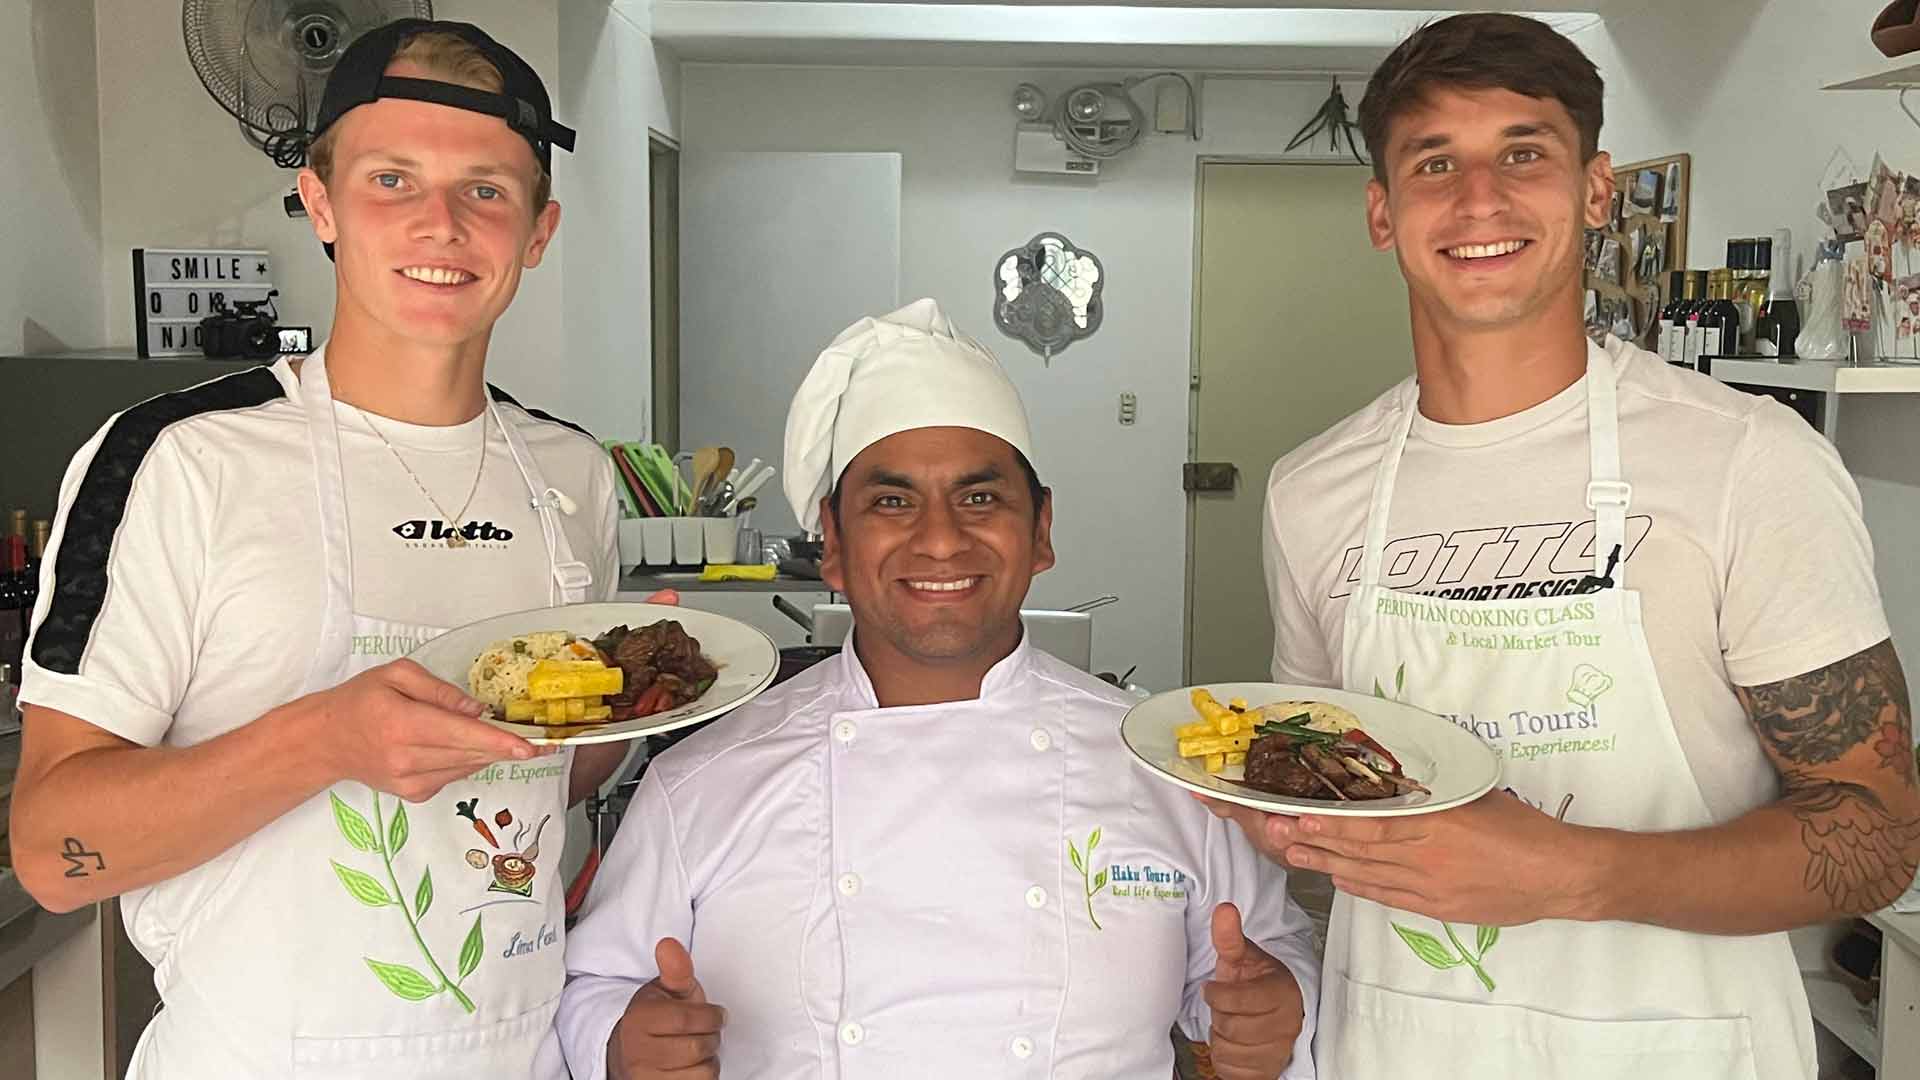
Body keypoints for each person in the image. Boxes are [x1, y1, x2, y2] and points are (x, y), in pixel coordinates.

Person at [1216, 13, 1920, 1078]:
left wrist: (1569, 873)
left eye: (1524, 153)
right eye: (1435, 162)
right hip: (1399, 1044)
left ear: (1595, 191)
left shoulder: (1745, 460)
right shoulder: (1311, 491)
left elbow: (1880, 835)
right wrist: (1287, 830)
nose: (1480, 200)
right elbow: (1325, 772)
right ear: (1382, 210)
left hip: (1683, 1051)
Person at [10, 20, 633, 1078]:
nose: (441, 224)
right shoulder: (177, 462)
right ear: (321, 203)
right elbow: (51, 856)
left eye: (485, 189)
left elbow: (559, 778)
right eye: (394, 179)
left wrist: (631, 707)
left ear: (538, 229)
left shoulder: (571, 476)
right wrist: (326, 742)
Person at [555, 299, 1320, 1080]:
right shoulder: (703, 781)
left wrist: (1275, 1012)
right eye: (891, 502)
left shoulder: (1163, 766)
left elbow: (1267, 956)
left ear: (1042, 529)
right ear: (834, 544)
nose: (942, 537)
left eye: (981, 497)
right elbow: (596, 985)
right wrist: (623, 1044)